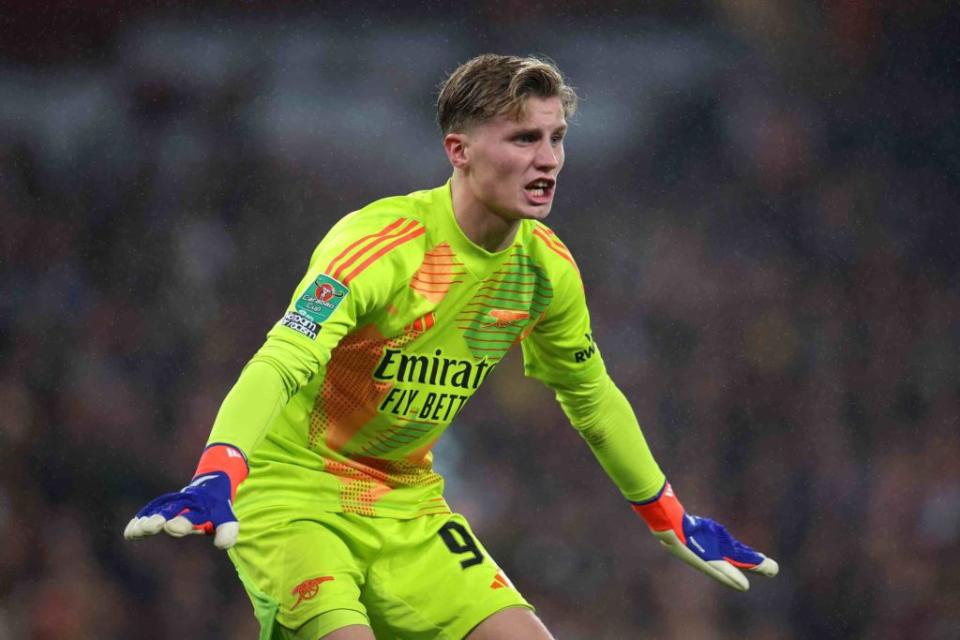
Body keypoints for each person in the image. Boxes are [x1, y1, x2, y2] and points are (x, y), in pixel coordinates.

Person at [124, 53, 778, 640]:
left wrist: (671, 516)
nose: (547, 158)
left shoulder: (545, 270)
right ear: (458, 150)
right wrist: (219, 471)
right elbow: (283, 359)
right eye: (523, 138)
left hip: (407, 500)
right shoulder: (383, 245)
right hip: (295, 493)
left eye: (555, 138)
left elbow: (590, 396)